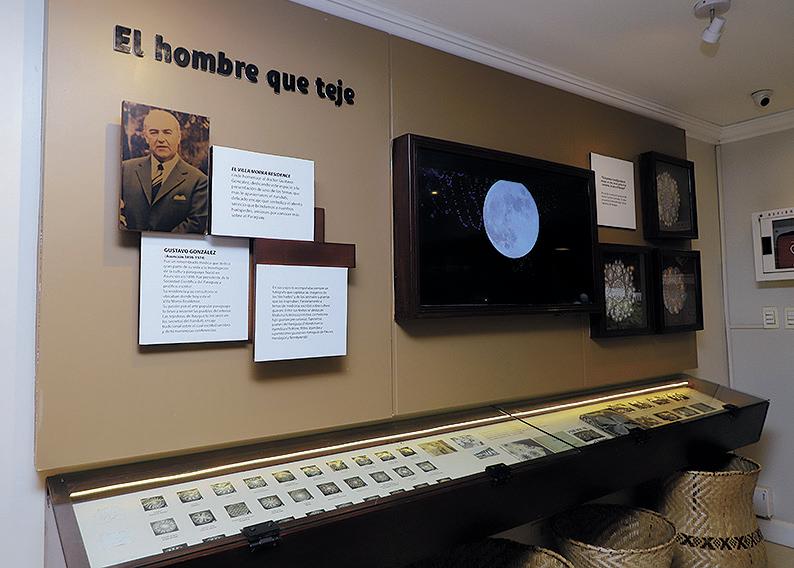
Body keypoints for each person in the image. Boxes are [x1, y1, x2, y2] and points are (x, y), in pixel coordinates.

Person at [120, 108, 208, 233]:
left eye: (167, 132)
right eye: (154, 132)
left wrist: (159, 242)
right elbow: (116, 214)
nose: (161, 139)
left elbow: (195, 224)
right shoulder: (125, 169)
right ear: (146, 137)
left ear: (178, 137)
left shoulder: (198, 181)